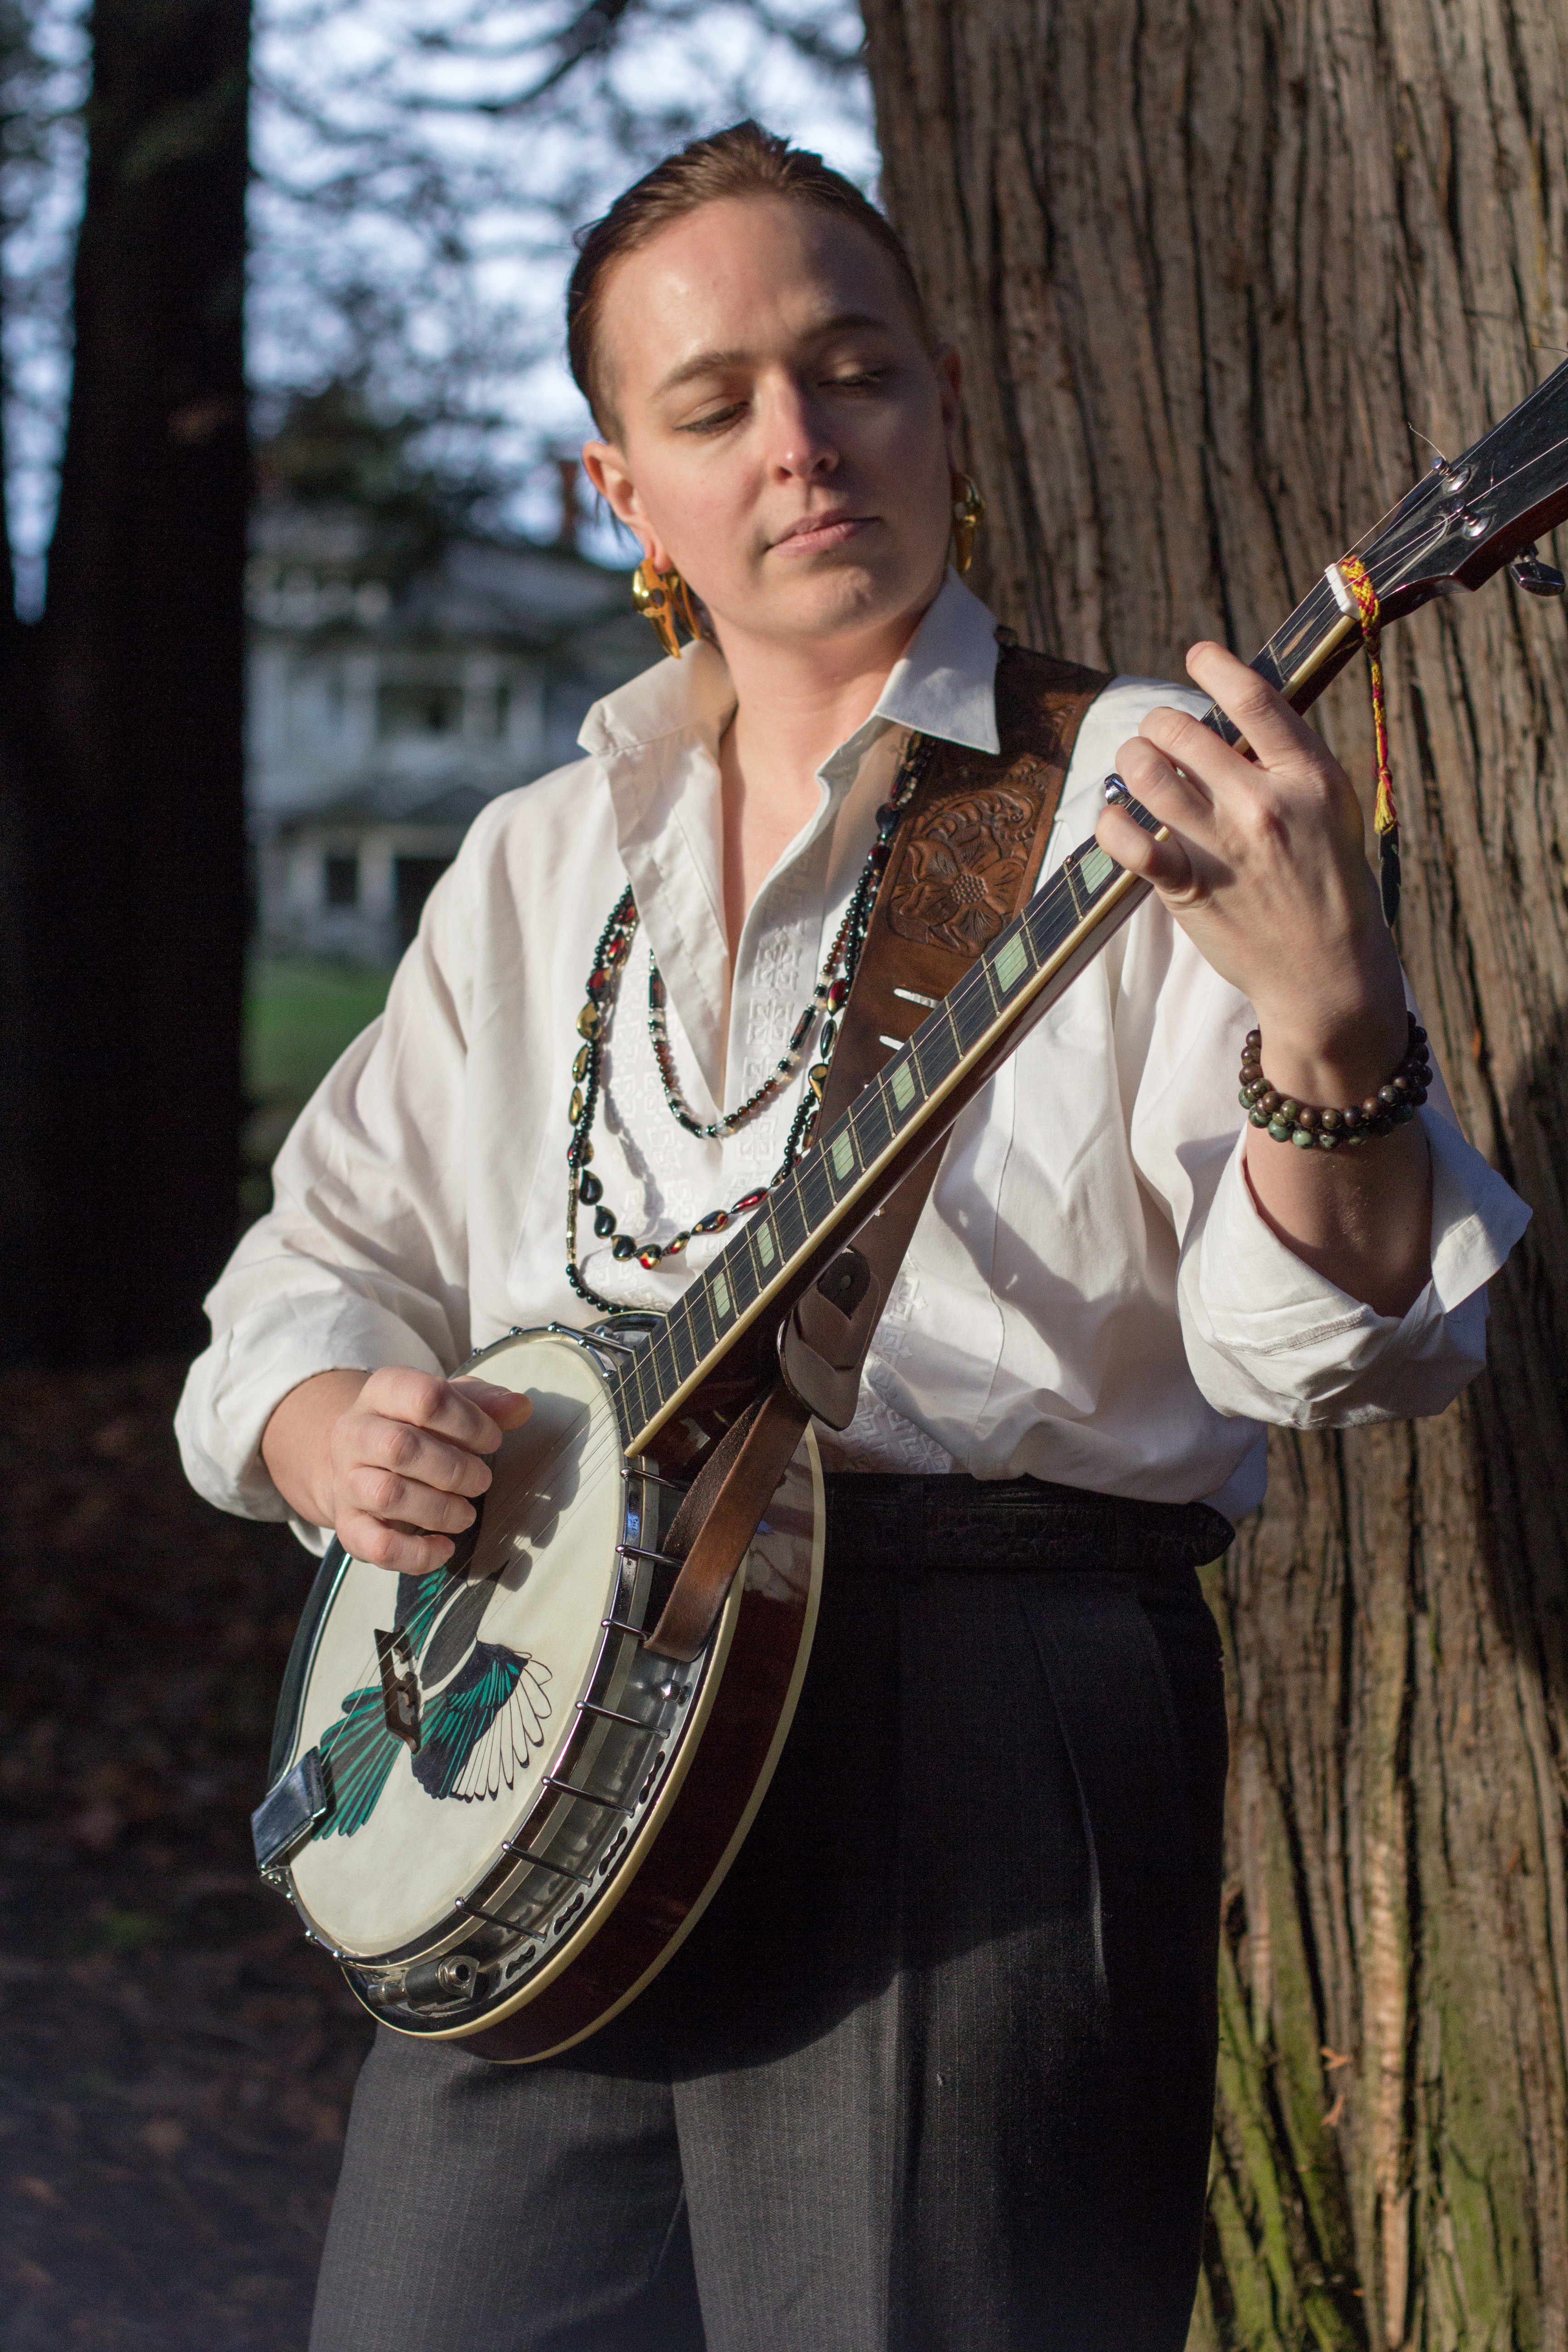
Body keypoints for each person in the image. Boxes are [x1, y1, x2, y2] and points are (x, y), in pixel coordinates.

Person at [177, 122, 1528, 2352]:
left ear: (948, 399)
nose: (801, 447)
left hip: (979, 1718)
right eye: (714, 409)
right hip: (543, 1733)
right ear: (626, 496)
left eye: (854, 370)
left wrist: (1333, 1017)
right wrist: (325, 1420)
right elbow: (303, 1269)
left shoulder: (1148, 790)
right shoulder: (539, 862)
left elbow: (1343, 1352)